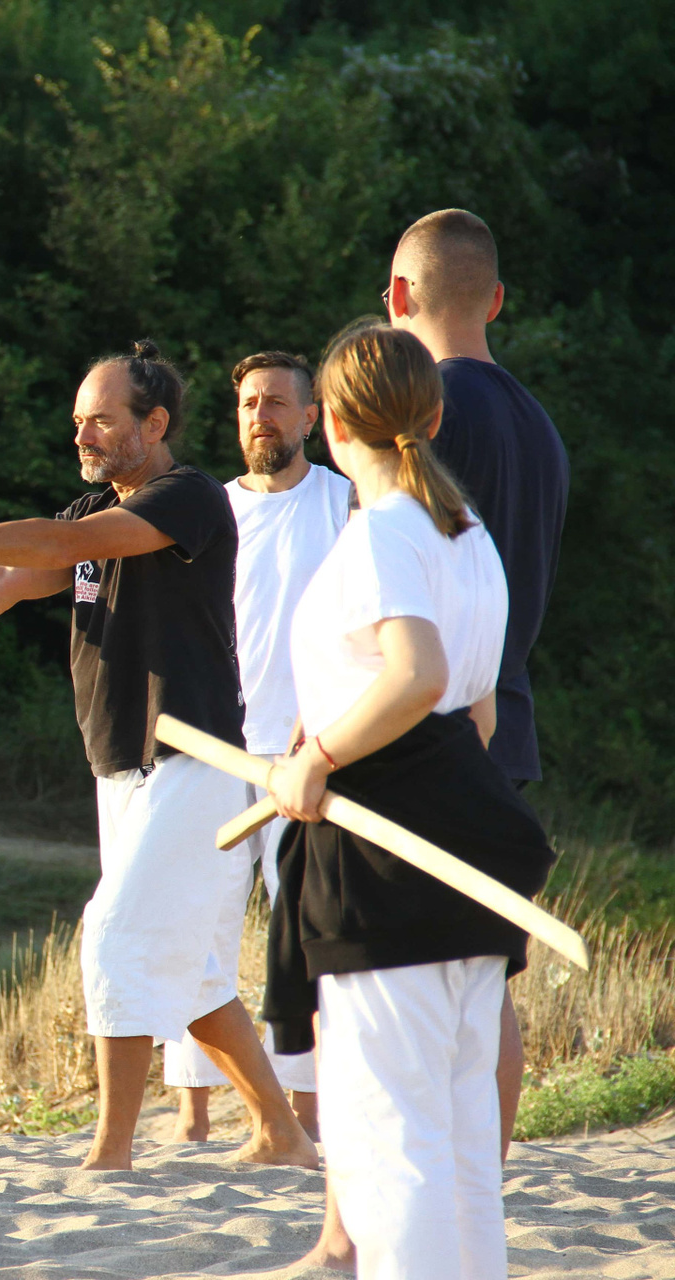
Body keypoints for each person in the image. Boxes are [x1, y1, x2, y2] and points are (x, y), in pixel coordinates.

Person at [0, 342, 317, 1171]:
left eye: (100, 419)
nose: (83, 435)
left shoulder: (190, 497)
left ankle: (112, 1148)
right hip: (118, 764)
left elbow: (59, 545)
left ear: (154, 424)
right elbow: (2, 581)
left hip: (192, 758)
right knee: (192, 969)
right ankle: (281, 1133)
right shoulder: (89, 511)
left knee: (113, 934)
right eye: (77, 421)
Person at [300, 208, 573, 1272]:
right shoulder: (482, 519)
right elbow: (483, 704)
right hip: (475, 797)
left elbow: (413, 673)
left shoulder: (395, 527)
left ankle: (357, 1243)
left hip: (387, 830)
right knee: (456, 1131)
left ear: (337, 422)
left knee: (392, 1130)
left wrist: (317, 755)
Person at [163, 351, 347, 1144]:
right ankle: (194, 1108)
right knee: (195, 924)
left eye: (276, 403)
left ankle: (304, 1109)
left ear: (310, 417)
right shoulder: (211, 509)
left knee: (301, 934)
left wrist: (328, 738)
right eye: (248, 404)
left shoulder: (344, 502)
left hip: (307, 752)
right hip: (212, 745)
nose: (260, 417)